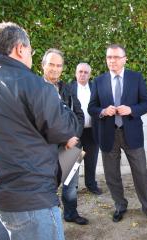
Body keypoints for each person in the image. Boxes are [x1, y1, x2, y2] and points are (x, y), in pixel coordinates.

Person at [0, 22, 79, 240]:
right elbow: (66, 127)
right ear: (20, 48)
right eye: (31, 51)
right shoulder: (35, 85)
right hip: (30, 198)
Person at [88, 44, 147, 227]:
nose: (111, 60)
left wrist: (131, 109)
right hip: (108, 134)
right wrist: (104, 111)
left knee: (141, 173)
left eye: (115, 57)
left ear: (124, 59)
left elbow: (146, 103)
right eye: (109, 57)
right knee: (112, 175)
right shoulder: (98, 81)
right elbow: (92, 107)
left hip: (132, 134)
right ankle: (120, 206)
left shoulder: (136, 78)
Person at [42, 48, 88, 225]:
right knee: (49, 184)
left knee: (71, 183)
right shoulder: (36, 88)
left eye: (58, 65)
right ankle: (48, 218)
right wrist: (63, 139)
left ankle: (70, 213)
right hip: (48, 147)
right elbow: (41, 121)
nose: (55, 68)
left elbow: (79, 114)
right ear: (43, 65)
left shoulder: (67, 88)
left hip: (72, 145)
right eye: (51, 64)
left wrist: (74, 137)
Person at [69, 63, 102, 195]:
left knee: (91, 159)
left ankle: (91, 184)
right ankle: (72, 187)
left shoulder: (96, 88)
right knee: (72, 160)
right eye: (80, 72)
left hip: (92, 131)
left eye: (85, 72)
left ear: (90, 74)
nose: (82, 74)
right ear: (76, 73)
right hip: (74, 132)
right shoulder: (69, 88)